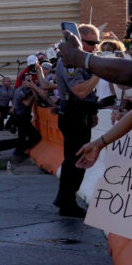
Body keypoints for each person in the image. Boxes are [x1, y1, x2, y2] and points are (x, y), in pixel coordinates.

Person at [54, 24, 100, 217]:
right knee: (75, 160)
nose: (95, 47)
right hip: (74, 114)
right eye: (90, 43)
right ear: (79, 42)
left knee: (74, 159)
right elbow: (80, 91)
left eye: (97, 42)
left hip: (79, 113)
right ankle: (67, 202)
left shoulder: (80, 60)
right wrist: (100, 71)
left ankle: (65, 199)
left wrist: (91, 111)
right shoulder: (70, 62)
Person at [0, 84, 40, 160]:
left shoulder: (25, 90)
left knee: (22, 139)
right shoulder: (20, 91)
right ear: (23, 82)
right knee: (35, 137)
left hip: (23, 118)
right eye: (28, 80)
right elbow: (27, 103)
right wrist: (33, 93)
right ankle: (1, 147)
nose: (30, 82)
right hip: (21, 119)